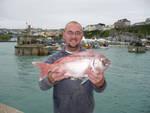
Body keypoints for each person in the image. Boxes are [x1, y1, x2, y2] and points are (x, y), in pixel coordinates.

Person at [39, 21, 106, 113]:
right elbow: (42, 86)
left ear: (82, 36)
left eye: (77, 33)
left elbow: (100, 89)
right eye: (70, 32)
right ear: (64, 35)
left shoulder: (91, 57)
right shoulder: (53, 59)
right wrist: (51, 78)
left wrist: (100, 82)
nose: (74, 36)